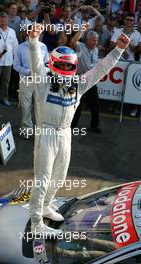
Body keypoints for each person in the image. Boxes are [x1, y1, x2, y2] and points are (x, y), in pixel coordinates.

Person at [28, 23, 130, 236]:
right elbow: (36, 63)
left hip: (65, 133)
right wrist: (34, 41)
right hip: (46, 133)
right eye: (62, 66)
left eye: (68, 66)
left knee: (59, 176)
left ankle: (47, 205)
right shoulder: (43, 81)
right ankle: (36, 222)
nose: (66, 70)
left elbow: (100, 69)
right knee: (43, 177)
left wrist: (118, 49)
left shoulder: (78, 83)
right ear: (55, 64)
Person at [13, 28, 49, 139]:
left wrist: (41, 72)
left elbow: (47, 64)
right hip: (26, 81)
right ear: (29, 33)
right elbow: (16, 65)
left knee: (40, 108)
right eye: (35, 32)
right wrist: (28, 72)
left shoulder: (43, 47)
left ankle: (40, 133)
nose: (38, 34)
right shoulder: (20, 47)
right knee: (26, 107)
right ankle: (27, 131)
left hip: (40, 82)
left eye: (39, 33)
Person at [71, 30, 101, 133]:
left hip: (92, 81)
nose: (95, 42)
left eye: (96, 40)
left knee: (95, 104)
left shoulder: (96, 50)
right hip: (80, 80)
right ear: (87, 40)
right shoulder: (80, 47)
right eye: (93, 40)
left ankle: (94, 125)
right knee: (78, 104)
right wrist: (82, 29)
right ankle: (72, 125)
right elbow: (74, 41)